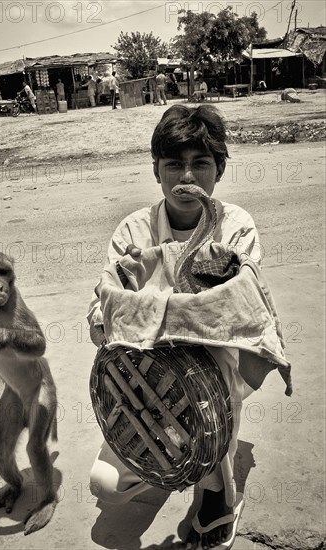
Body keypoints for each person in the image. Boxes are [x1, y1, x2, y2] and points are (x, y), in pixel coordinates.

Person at [87, 105, 290, 549]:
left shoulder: (235, 226)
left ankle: (216, 487)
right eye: (173, 164)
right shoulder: (132, 231)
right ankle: (171, 461)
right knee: (104, 484)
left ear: (219, 169)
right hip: (146, 378)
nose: (187, 177)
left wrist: (167, 316)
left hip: (216, 368)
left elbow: (241, 310)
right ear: (155, 169)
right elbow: (100, 317)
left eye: (200, 163)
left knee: (210, 379)